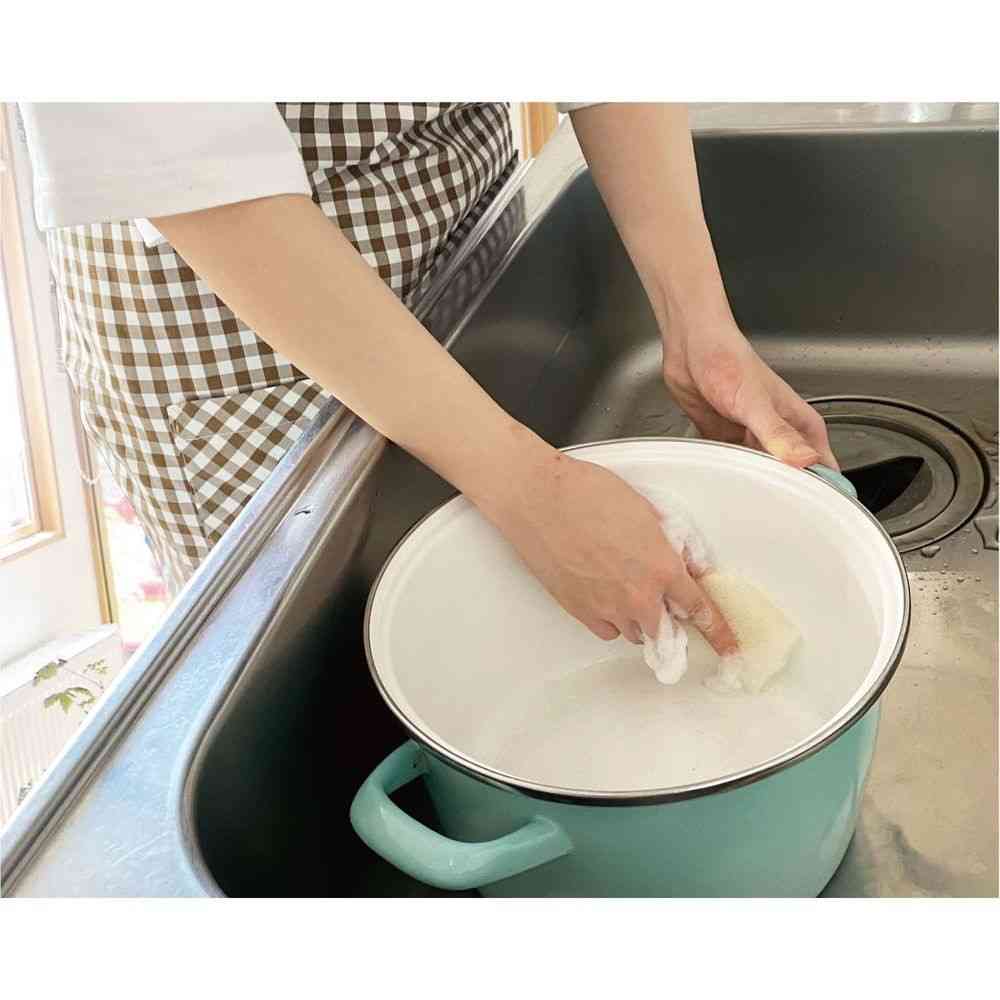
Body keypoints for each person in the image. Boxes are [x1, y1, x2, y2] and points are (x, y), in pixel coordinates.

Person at [19, 102, 836, 656]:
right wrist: (530, 487)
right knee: (344, 675)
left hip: (464, 235)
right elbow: (179, 164)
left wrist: (699, 327)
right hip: (247, 331)